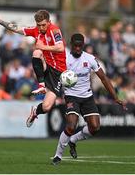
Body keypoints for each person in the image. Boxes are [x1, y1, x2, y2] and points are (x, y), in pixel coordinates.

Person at [52, 33, 127, 165]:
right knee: (71, 126)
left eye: (80, 46)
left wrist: (115, 97)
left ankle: (73, 140)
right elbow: (55, 75)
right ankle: (58, 155)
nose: (77, 48)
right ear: (71, 45)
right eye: (75, 46)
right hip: (71, 96)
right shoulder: (64, 59)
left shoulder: (90, 59)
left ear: (83, 45)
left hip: (87, 97)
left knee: (95, 127)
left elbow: (103, 78)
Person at [0, 10, 67, 127]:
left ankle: (35, 111)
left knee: (46, 107)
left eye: (43, 25)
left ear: (49, 22)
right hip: (46, 65)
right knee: (36, 52)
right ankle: (41, 85)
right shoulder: (35, 30)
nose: (41, 28)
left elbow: (61, 47)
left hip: (58, 72)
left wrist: (43, 46)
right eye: (38, 25)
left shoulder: (55, 30)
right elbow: (15, 28)